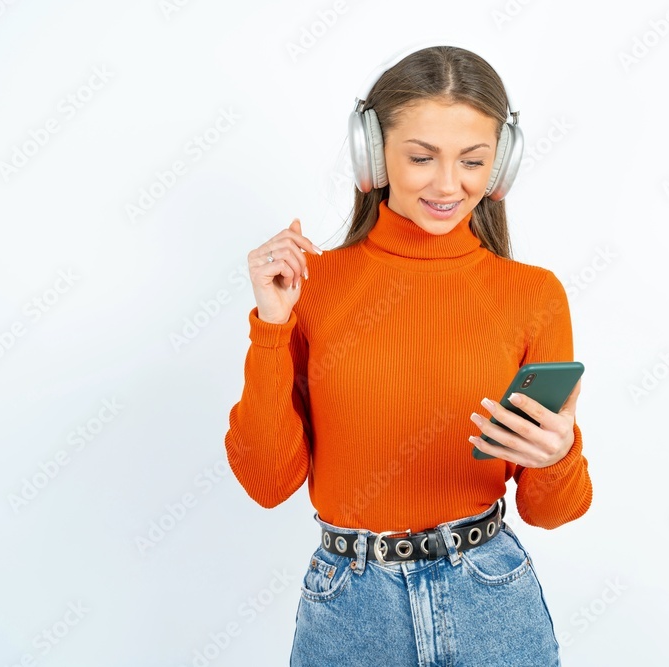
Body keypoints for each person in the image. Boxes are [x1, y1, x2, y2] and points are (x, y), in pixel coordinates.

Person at [223, 43, 592, 667]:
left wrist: (558, 455)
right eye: (421, 157)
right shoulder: (312, 287)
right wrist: (273, 326)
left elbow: (553, 511)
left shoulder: (534, 295)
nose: (449, 185)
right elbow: (267, 483)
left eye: (473, 161)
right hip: (350, 606)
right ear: (374, 155)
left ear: (501, 167)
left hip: (492, 597)